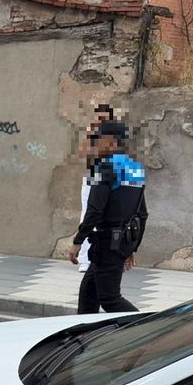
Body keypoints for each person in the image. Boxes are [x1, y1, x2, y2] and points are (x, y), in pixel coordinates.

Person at [71, 119, 147, 314]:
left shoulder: (102, 168)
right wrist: (132, 247)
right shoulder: (136, 169)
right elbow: (142, 213)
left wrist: (78, 241)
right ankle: (83, 337)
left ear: (112, 142)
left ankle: (147, 329)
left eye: (98, 139)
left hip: (107, 243)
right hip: (121, 242)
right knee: (88, 294)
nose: (95, 144)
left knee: (110, 299)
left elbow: (94, 211)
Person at [76, 103, 117, 276]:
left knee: (109, 217)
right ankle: (84, 259)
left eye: (104, 118)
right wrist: (91, 133)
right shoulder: (92, 135)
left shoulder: (116, 135)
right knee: (88, 214)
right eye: (98, 117)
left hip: (110, 179)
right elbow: (84, 154)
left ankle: (107, 257)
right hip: (92, 178)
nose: (101, 120)